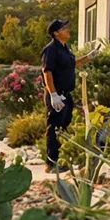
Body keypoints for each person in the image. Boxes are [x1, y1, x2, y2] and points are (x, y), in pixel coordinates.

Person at [39, 19, 93, 172]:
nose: (68, 30)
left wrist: (88, 57)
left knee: (64, 127)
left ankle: (60, 160)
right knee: (54, 128)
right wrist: (53, 94)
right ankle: (50, 164)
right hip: (56, 94)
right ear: (56, 32)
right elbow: (47, 72)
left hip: (66, 94)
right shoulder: (51, 49)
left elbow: (72, 64)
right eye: (64, 28)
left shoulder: (65, 48)